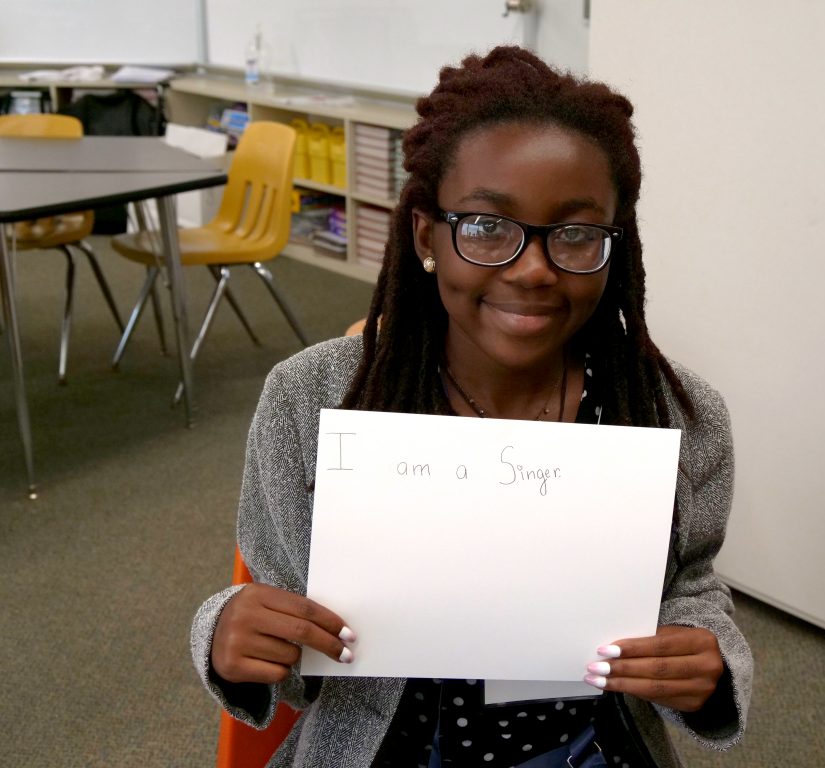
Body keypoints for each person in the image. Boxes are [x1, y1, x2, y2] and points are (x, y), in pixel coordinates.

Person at [191, 46, 752, 767]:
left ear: (617, 245)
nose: (533, 269)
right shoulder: (313, 400)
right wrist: (227, 630)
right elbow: (277, 605)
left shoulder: (677, 415)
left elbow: (692, 584)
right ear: (427, 235)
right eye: (487, 227)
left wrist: (705, 657)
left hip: (588, 750)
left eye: (576, 234)